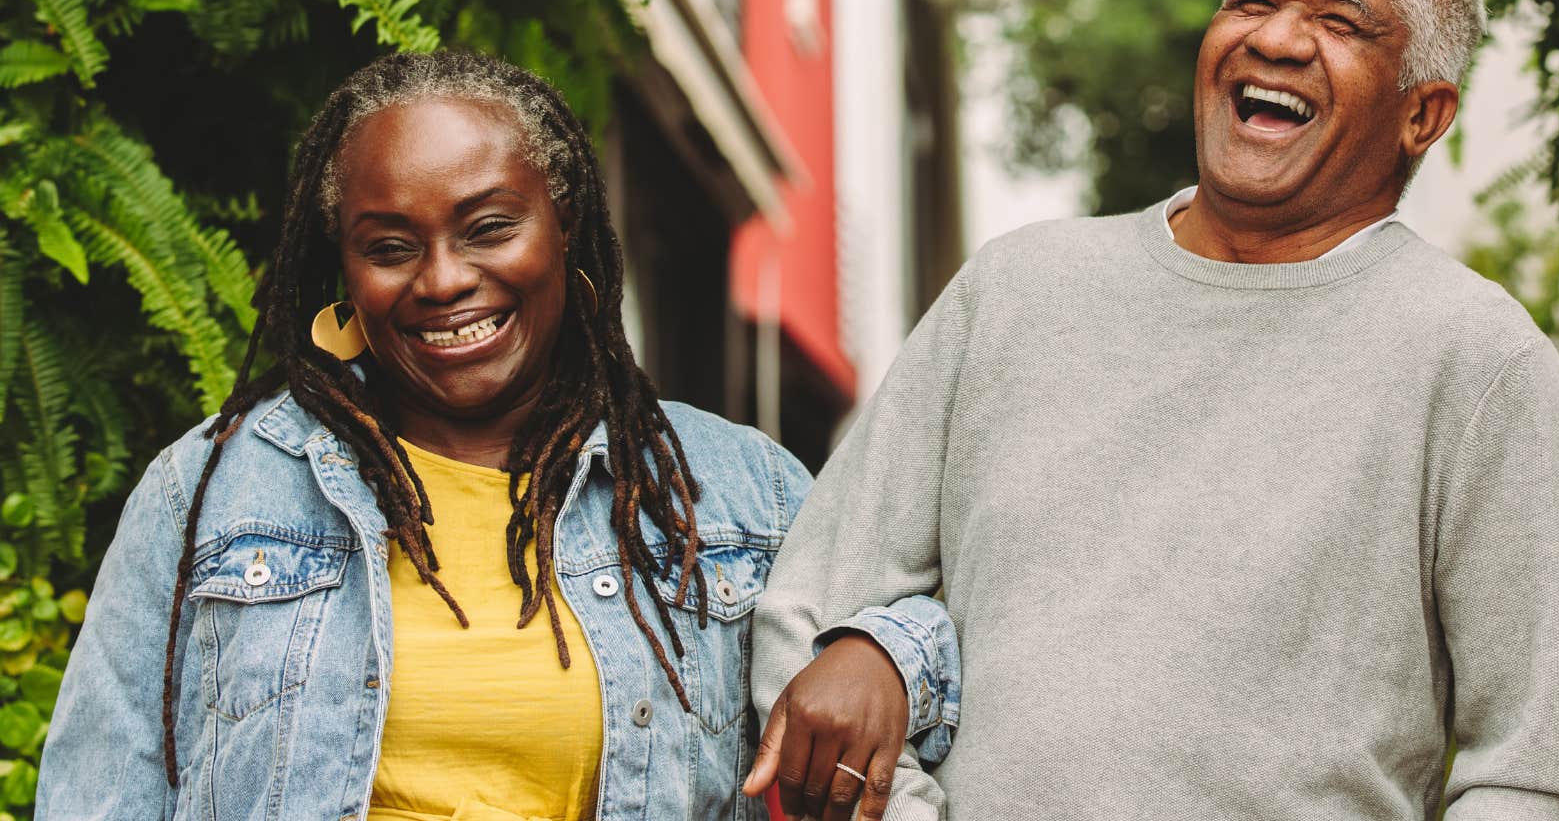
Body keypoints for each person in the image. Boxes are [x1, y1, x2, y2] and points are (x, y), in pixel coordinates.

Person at [750, 0, 1559, 820]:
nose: (1278, 38)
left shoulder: (1478, 361)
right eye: (1253, 0)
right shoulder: (1015, 293)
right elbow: (811, 603)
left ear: (1423, 115)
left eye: (1342, 22)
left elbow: (1537, 775)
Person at [40, 51, 960, 821]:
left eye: (488, 228)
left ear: (564, 232)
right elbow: (99, 791)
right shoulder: (212, 490)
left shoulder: (732, 491)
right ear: (344, 271)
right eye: (391, 245)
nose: (442, 280)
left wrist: (881, 655)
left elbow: (954, 632)